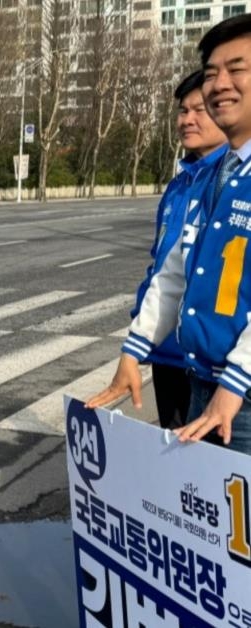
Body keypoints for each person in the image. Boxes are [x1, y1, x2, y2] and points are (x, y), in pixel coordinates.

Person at [87, 13, 251, 454]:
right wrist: (133, 351)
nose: (219, 84)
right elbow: (176, 270)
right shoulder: (208, 174)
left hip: (243, 396)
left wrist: (236, 382)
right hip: (206, 384)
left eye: (236, 69)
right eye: (212, 72)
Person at [129, 69, 227, 430]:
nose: (187, 120)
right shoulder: (179, 185)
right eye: (182, 111)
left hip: (209, 360)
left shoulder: (231, 183)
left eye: (199, 110)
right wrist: (140, 331)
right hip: (166, 351)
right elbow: (162, 266)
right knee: (176, 458)